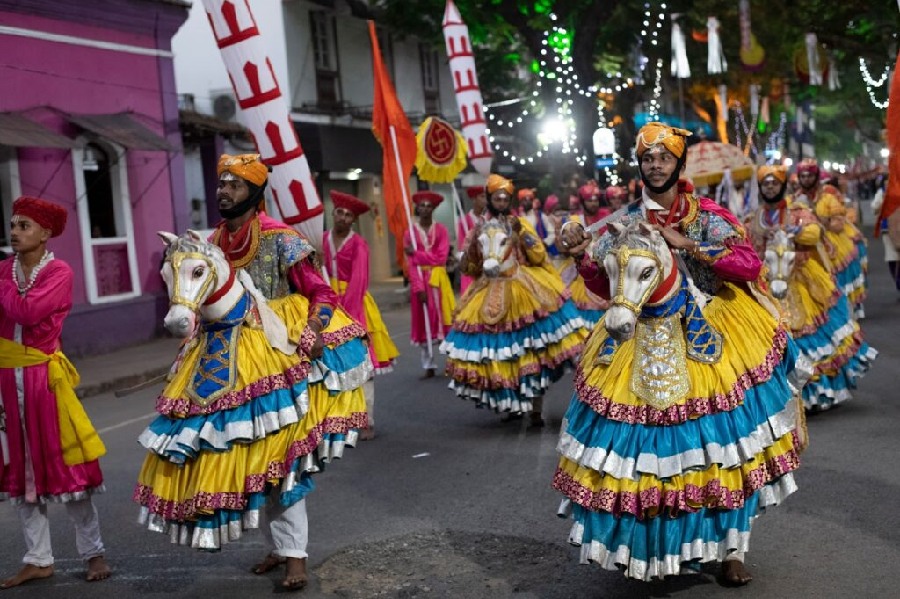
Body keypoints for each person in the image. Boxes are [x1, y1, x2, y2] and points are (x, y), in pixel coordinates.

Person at [554, 123, 810, 585]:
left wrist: (690, 245)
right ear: (640, 165)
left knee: (727, 448)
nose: (655, 165)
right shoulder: (623, 222)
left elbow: (749, 264)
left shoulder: (706, 214)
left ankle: (733, 548)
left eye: (664, 158)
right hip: (638, 335)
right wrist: (582, 258)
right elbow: (602, 285)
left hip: (714, 330)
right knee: (642, 454)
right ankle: (653, 548)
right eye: (648, 158)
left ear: (678, 164)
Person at [135, 154, 370, 591]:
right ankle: (279, 547)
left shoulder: (282, 240)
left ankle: (295, 555)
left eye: (235, 185)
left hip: (278, 354)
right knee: (245, 457)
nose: (224, 191)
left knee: (281, 459)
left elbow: (321, 292)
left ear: (255, 193)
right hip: (222, 356)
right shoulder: (210, 242)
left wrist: (315, 329)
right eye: (221, 184)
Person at [0, 196, 110, 588]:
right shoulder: (3, 271)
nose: (14, 231)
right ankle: (38, 558)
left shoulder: (59, 272)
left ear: (45, 233)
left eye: (24, 225)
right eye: (13, 224)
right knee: (19, 470)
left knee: (67, 464)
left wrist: (0, 286)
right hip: (5, 381)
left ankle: (93, 552)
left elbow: (27, 313)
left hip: (44, 380)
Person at [442, 174, 586, 427]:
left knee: (532, 348)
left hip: (523, 289)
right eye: (496, 197)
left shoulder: (518, 223)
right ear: (489, 199)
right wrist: (467, 256)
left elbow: (539, 255)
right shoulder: (478, 228)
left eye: (504, 198)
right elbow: (472, 266)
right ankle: (510, 402)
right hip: (489, 290)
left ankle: (535, 407)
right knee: (500, 352)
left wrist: (523, 237)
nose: (500, 201)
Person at [745, 166, 876, 409]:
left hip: (804, 282)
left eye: (775, 183)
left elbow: (814, 234)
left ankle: (819, 393)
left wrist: (792, 232)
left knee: (811, 337)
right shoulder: (754, 219)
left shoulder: (797, 212)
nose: (770, 187)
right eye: (766, 184)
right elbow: (748, 246)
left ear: (783, 186)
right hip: (768, 284)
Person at [323, 190, 399, 439]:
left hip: (353, 308)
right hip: (326, 308)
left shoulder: (359, 244)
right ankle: (339, 420)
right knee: (331, 367)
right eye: (340, 212)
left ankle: (367, 420)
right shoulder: (322, 240)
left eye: (348, 215)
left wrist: (346, 316)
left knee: (362, 365)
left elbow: (358, 281)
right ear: (333, 214)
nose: (343, 217)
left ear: (353, 220)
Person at [405, 190, 455, 379]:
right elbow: (410, 265)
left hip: (439, 280)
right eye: (422, 205)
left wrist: (416, 254)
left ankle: (452, 362)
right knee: (423, 321)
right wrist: (418, 288)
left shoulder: (441, 230)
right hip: (421, 281)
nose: (425, 209)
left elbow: (440, 258)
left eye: (428, 206)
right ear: (417, 208)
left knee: (445, 319)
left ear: (433, 209)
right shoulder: (409, 233)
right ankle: (429, 364)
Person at [870, 176, 900, 290]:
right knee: (892, 257)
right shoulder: (881, 194)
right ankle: (897, 280)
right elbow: (874, 208)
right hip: (887, 230)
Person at [456, 186, 487, 295]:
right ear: (474, 199)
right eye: (482, 197)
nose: (486, 200)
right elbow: (461, 248)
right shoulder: (463, 222)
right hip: (471, 267)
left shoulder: (490, 220)